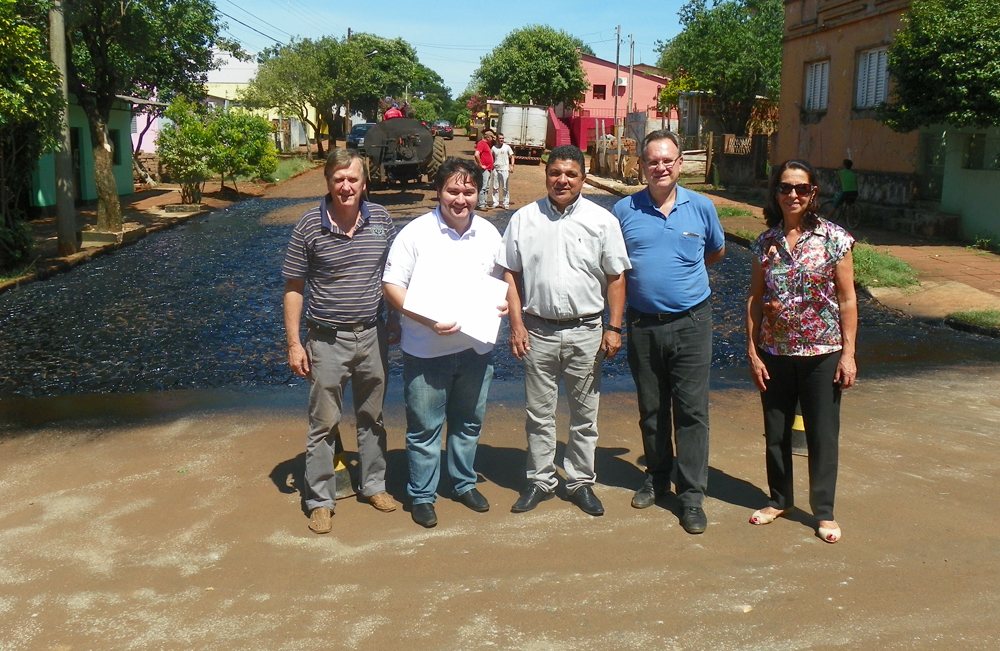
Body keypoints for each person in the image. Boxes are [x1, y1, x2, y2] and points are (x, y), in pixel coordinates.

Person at [498, 145, 632, 517]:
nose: (562, 180)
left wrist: (614, 327)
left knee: (584, 415)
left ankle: (580, 482)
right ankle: (540, 480)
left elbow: (616, 277)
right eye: (555, 173)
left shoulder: (602, 221)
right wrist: (516, 324)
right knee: (538, 413)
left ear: (583, 178)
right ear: (546, 176)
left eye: (571, 174)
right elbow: (510, 273)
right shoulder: (524, 219)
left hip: (586, 332)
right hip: (538, 331)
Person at [382, 158, 508, 528]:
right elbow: (392, 286)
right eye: (453, 190)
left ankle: (463, 482)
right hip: (426, 350)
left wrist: (503, 304)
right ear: (438, 192)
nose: (460, 199)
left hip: (475, 349)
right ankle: (422, 495)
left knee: (468, 423)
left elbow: (501, 280)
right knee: (424, 428)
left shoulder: (489, 233)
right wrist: (429, 320)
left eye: (468, 191)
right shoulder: (415, 234)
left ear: (477, 193)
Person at [611, 130, 725, 535]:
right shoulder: (623, 210)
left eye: (667, 161)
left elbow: (715, 251)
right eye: (652, 161)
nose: (660, 167)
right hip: (643, 324)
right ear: (641, 166)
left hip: (692, 323)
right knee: (652, 407)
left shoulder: (702, 207)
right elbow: (614, 267)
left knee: (692, 412)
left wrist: (682, 280)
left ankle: (691, 496)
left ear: (679, 164)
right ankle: (657, 479)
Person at [282, 148, 401, 534]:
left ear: (364, 183)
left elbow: (394, 274)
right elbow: (294, 287)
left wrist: (396, 318)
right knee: (323, 422)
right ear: (328, 182)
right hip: (326, 340)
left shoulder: (381, 220)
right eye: (338, 179)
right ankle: (320, 499)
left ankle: (374, 485)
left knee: (372, 416)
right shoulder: (308, 225)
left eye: (353, 179)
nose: (346, 186)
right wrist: (294, 344)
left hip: (372, 335)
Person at [746, 159, 857, 544]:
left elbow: (847, 299)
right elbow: (755, 299)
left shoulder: (834, 238)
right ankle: (780, 500)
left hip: (823, 352)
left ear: (813, 193)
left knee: (822, 434)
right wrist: (753, 351)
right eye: (785, 187)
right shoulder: (765, 243)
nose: (792, 194)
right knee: (776, 431)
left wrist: (849, 355)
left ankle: (823, 511)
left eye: (801, 188)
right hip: (775, 350)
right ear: (775, 192)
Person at [490, 132, 515, 209]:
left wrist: (512, 166)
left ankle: (506, 203)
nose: (501, 140)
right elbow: (491, 157)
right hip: (496, 169)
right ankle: (495, 203)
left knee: (505, 187)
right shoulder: (494, 148)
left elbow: (512, 156)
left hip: (505, 169)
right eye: (500, 138)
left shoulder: (507, 147)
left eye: (502, 138)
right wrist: (491, 165)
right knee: (495, 187)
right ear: (497, 139)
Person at [474, 130, 495, 210]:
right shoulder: (481, 143)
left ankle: (484, 203)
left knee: (486, 187)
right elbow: (476, 154)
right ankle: (481, 204)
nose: (492, 139)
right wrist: (480, 165)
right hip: (484, 169)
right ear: (488, 137)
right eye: (492, 137)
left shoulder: (487, 145)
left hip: (488, 168)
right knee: (483, 186)